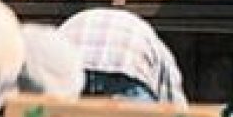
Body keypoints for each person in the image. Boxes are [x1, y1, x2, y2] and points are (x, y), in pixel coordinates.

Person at [57, 8, 187, 103]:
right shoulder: (155, 44)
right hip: (126, 66)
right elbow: (173, 108)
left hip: (73, 61)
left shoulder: (74, 22)